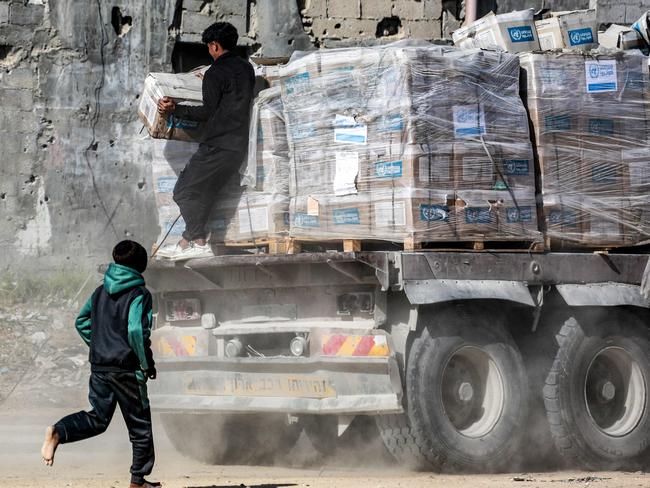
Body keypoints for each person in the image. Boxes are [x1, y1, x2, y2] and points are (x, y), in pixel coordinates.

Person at [41, 240, 160, 488]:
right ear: (141, 265)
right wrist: (146, 362)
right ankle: (138, 481)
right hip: (126, 369)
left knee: (97, 418)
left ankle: (58, 432)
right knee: (140, 427)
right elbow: (136, 330)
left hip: (100, 368)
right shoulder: (139, 294)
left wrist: (99, 346)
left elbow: (81, 321)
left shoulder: (99, 291)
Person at [156, 21, 256, 260]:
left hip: (217, 145)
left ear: (214, 46)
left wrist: (174, 109)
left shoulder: (215, 73)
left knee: (183, 191)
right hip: (238, 147)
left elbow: (206, 113)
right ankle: (188, 241)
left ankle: (198, 241)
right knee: (205, 194)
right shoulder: (246, 69)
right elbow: (229, 98)